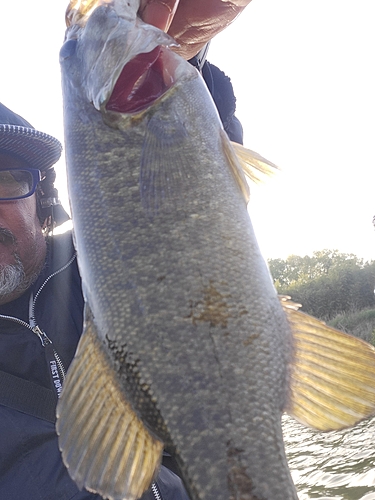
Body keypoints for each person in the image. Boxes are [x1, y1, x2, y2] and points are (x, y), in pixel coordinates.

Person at [0, 1, 249, 498]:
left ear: (41, 198)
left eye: (4, 182)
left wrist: (180, 58)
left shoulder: (104, 258)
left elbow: (187, 186)